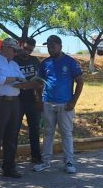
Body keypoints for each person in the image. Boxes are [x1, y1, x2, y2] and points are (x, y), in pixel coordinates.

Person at [0, 37, 43, 183]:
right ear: (4, 47)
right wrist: (14, 79)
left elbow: (21, 81)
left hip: (15, 102)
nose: (16, 53)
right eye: (13, 50)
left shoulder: (14, 64)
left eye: (16, 50)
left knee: (11, 137)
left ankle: (9, 168)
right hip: (0, 102)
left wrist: (32, 84)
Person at [33, 35, 83, 174]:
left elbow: (80, 82)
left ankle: (69, 161)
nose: (50, 49)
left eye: (53, 46)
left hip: (65, 104)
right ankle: (46, 162)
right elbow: (39, 83)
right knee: (48, 133)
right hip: (48, 103)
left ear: (60, 46)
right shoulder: (45, 63)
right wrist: (39, 100)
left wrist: (73, 101)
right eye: (48, 46)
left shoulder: (71, 62)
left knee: (66, 133)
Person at [13, 36, 43, 165]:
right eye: (25, 48)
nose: (27, 52)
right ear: (20, 45)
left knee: (35, 130)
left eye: (30, 50)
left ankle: (36, 156)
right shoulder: (13, 61)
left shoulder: (35, 61)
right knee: (13, 130)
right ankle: (10, 159)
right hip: (17, 101)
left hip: (33, 100)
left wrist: (40, 100)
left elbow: (40, 81)